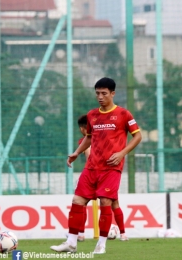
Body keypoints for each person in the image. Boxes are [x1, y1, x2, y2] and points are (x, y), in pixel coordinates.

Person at [51, 77, 141, 254]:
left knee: (105, 202)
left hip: (111, 168)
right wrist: (77, 152)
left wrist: (122, 153)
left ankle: (101, 244)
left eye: (104, 93)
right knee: (77, 201)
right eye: (97, 93)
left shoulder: (124, 114)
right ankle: (71, 242)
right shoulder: (92, 115)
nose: (100, 97)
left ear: (112, 93)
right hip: (92, 167)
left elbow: (137, 136)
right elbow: (89, 137)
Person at [76, 114, 129, 242]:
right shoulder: (104, 136)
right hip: (109, 173)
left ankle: (81, 234)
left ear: (83, 129)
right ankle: (123, 234)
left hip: (94, 174)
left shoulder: (86, 140)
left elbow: (90, 157)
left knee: (82, 202)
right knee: (113, 203)